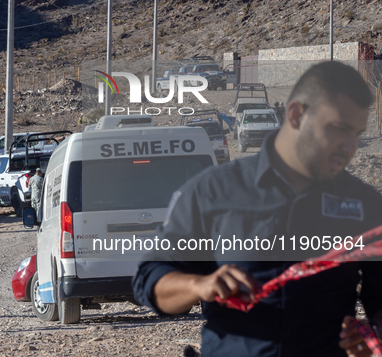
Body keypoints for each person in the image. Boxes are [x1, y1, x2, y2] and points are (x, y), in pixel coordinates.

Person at [132, 61, 382, 357]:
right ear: (296, 115)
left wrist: (373, 336)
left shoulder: (366, 205)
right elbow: (150, 279)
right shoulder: (214, 190)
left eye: (356, 132)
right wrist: (199, 285)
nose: (349, 145)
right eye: (339, 128)